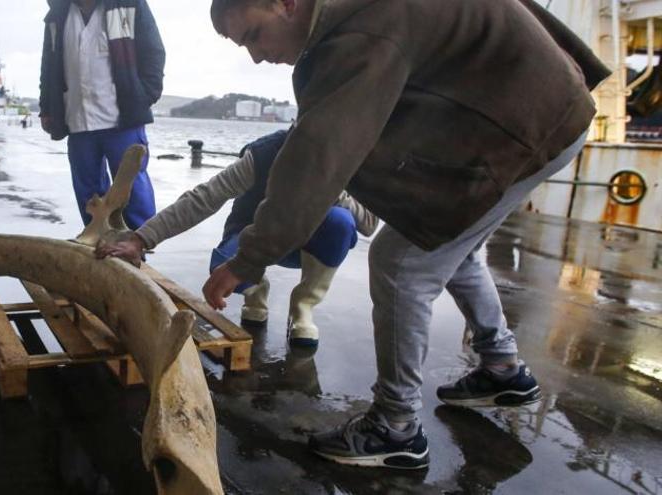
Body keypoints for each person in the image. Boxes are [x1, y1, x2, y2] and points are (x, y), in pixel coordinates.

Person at [203, 0, 610, 469]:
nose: (255, 56)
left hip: (527, 123)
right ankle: (502, 369)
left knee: (401, 263)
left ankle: (395, 427)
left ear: (287, 4)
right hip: (544, 103)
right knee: (446, 238)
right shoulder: (355, 16)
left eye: (254, 35)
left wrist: (247, 260)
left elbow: (315, 161)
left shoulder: (357, 35)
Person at [97, 130, 378, 348]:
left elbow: (368, 224)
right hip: (252, 234)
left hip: (303, 243)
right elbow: (205, 198)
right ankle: (256, 291)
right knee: (222, 268)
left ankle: (303, 305)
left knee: (341, 223)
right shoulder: (266, 153)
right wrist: (141, 238)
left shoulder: (351, 156)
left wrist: (334, 188)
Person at [39, 0, 165, 229]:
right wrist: (46, 108)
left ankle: (138, 246)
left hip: (122, 120)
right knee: (88, 193)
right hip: (77, 120)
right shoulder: (57, 15)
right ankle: (96, 240)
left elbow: (154, 52)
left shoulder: (130, 4)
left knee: (133, 189)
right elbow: (48, 65)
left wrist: (144, 96)